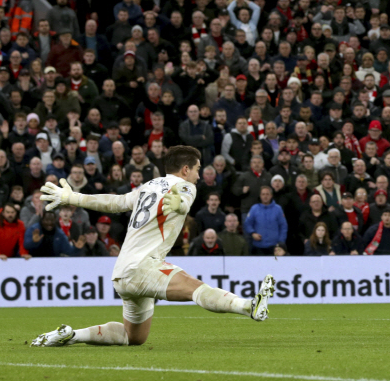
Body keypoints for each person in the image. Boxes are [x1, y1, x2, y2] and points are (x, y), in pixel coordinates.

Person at [32, 146, 275, 348]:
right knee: (195, 288)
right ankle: (248, 306)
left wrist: (73, 197)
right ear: (186, 169)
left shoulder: (148, 186)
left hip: (123, 273)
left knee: (133, 337)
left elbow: (114, 202)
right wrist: (180, 204)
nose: (199, 176)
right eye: (198, 170)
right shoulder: (185, 186)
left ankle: (72, 334)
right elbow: (184, 199)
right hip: (143, 267)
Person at [243, 186, 288, 255]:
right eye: (263, 194)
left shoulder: (278, 209)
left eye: (267, 194)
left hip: (274, 247)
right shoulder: (254, 208)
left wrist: (281, 242)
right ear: (260, 196)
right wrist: (253, 233)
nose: (265, 196)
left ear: (271, 196)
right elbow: (247, 223)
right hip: (258, 247)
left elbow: (283, 226)